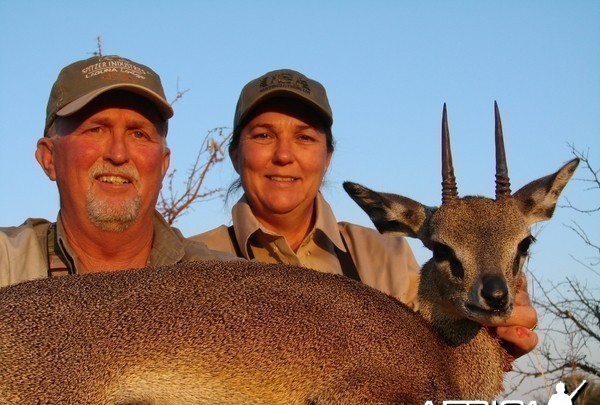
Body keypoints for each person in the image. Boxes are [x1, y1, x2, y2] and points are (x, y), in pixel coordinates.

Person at [192, 68, 538, 358]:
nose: (284, 155)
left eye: (305, 138)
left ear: (328, 158)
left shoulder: (386, 257)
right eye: (264, 135)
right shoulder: (190, 262)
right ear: (235, 154)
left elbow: (429, 365)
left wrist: (490, 342)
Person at [0, 54, 233, 288]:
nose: (118, 154)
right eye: (96, 130)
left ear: (163, 165)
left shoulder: (229, 282)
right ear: (49, 158)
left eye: (138, 134)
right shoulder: (6, 264)